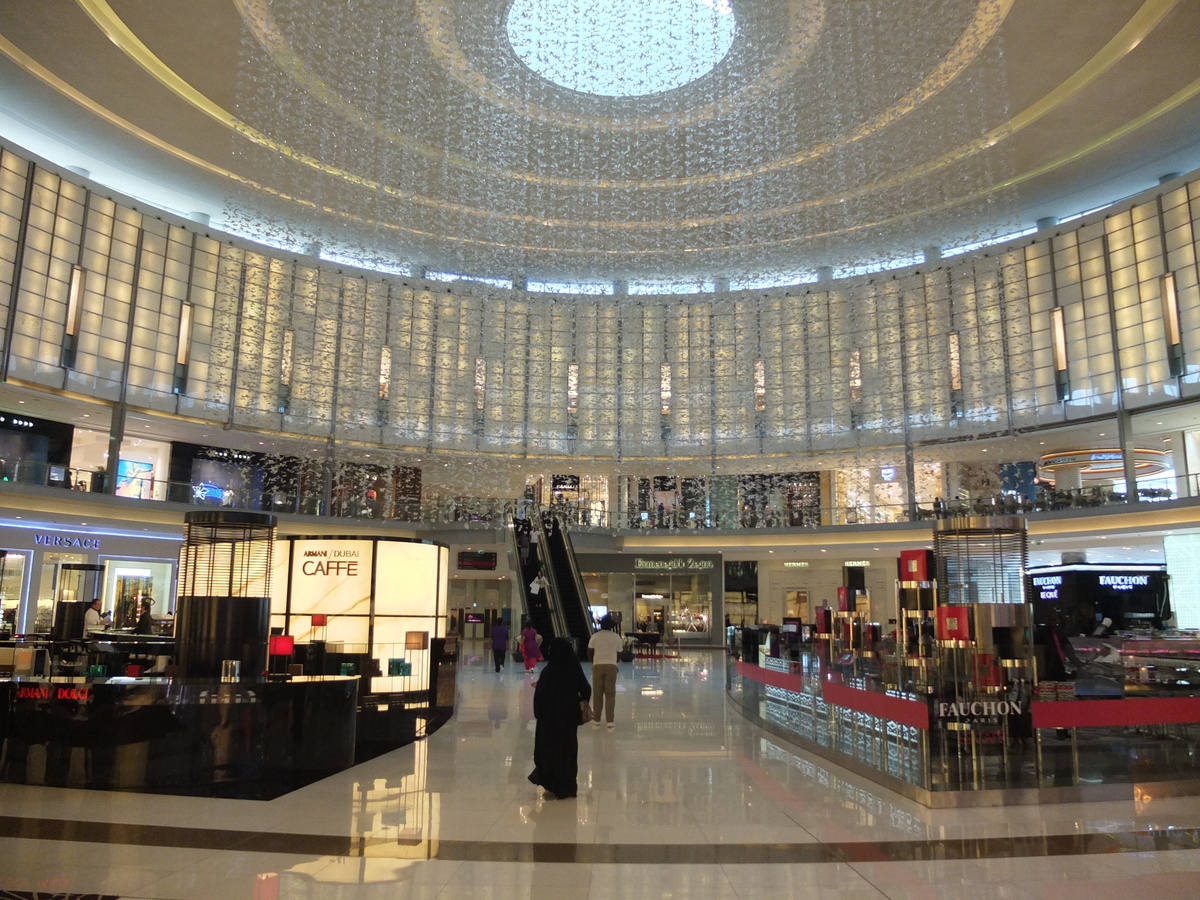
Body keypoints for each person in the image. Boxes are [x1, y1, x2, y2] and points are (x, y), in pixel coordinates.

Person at [529, 637, 591, 799]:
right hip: (568, 717)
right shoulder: (574, 670)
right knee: (568, 750)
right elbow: (586, 689)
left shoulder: (548, 671)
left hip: (549, 718)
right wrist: (577, 702)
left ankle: (552, 781)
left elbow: (540, 696)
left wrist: (539, 714)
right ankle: (568, 785)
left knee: (549, 749)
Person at [587, 614, 624, 730]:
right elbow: (620, 653)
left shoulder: (595, 636)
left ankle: (597, 720)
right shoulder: (616, 637)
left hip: (597, 665)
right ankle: (610, 721)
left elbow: (589, 652)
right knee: (610, 694)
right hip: (611, 666)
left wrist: (594, 661)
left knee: (597, 694)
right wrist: (613, 661)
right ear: (611, 626)